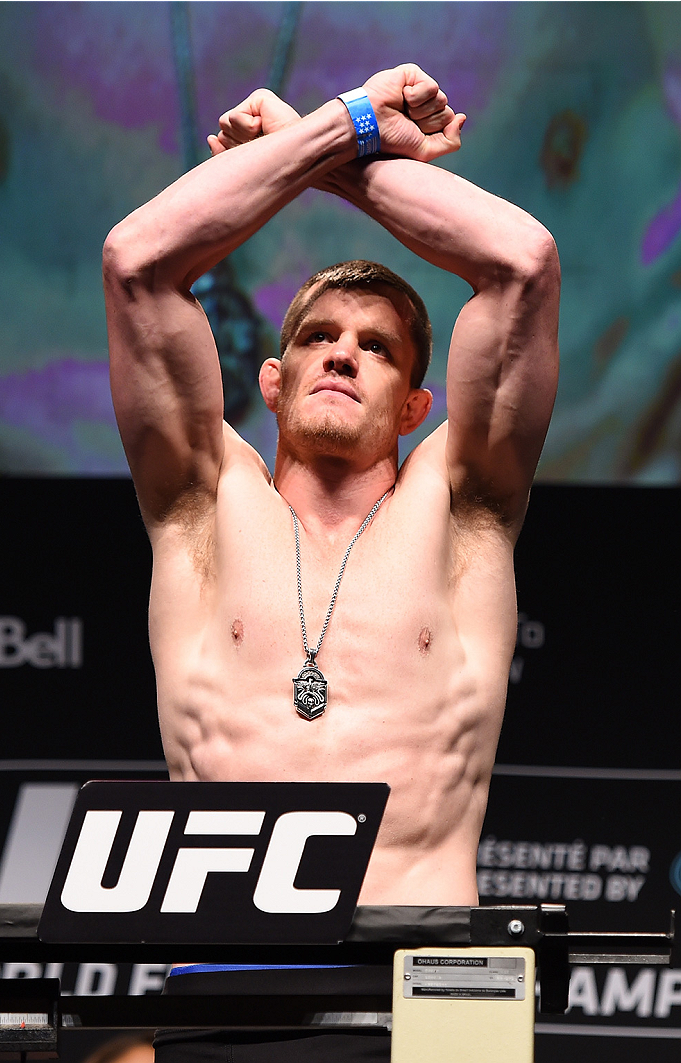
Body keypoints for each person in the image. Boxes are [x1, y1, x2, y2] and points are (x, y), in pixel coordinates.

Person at [104, 63, 559, 1063]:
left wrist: (315, 152)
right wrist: (344, 127)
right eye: (316, 336)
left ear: (416, 405)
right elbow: (137, 261)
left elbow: (521, 261)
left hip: (444, 978)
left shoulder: (462, 507)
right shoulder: (201, 503)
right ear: (270, 380)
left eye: (377, 347)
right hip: (230, 969)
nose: (342, 354)